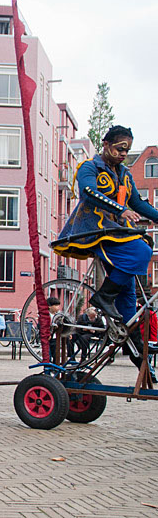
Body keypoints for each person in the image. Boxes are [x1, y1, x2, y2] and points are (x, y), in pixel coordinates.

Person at [55, 125, 158, 376]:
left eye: (127, 150)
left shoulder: (124, 174)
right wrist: (120, 209)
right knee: (143, 251)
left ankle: (138, 359)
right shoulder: (89, 167)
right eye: (120, 148)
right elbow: (88, 192)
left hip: (116, 231)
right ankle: (103, 296)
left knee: (128, 299)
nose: (124, 154)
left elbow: (136, 203)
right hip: (94, 229)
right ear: (106, 144)